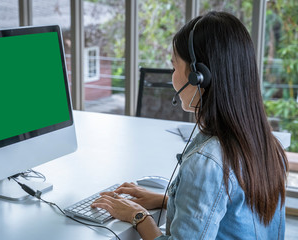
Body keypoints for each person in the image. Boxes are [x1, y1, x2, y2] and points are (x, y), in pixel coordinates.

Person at [91, 11, 288, 239]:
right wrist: (165, 201)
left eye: (175, 67)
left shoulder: (209, 161)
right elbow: (230, 216)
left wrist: (138, 216)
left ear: (199, 77)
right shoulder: (267, 145)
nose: (172, 77)